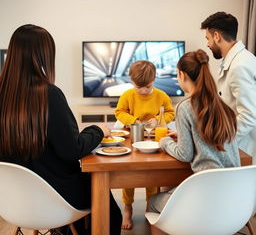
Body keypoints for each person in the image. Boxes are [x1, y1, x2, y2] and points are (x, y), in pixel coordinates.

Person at [0, 24, 122, 235]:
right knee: (109, 207)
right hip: (56, 196)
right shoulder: (49, 95)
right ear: (44, 56)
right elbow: (72, 150)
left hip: (12, 201)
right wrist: (98, 130)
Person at [148, 50, 240, 235]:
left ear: (181, 75)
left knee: (152, 201)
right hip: (235, 201)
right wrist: (182, 136)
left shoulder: (184, 106)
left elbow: (185, 154)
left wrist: (164, 140)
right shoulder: (222, 104)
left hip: (206, 198)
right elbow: (207, 139)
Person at [115, 60, 175, 230]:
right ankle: (127, 207)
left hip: (155, 139)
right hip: (133, 138)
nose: (143, 91)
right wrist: (133, 121)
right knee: (129, 174)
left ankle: (151, 205)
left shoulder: (162, 96)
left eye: (147, 87)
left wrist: (158, 119)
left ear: (154, 80)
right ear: (132, 82)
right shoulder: (127, 95)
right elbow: (119, 112)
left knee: (151, 174)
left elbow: (171, 112)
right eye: (138, 87)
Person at [201, 11, 256, 163]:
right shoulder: (239, 60)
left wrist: (223, 140)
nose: (207, 44)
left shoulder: (239, 66)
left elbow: (249, 116)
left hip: (244, 147)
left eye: (208, 38)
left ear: (217, 36)